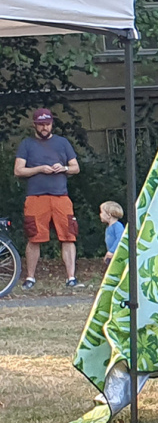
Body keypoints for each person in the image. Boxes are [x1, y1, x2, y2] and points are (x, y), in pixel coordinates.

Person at [13, 108, 80, 289]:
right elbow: (18, 170)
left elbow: (75, 167)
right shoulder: (27, 144)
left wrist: (64, 168)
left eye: (47, 124)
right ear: (34, 125)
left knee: (68, 236)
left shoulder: (63, 143)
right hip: (35, 197)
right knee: (34, 237)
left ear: (52, 124)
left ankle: (71, 278)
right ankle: (30, 278)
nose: (44, 127)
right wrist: (40, 168)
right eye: (41, 124)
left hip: (61, 196)